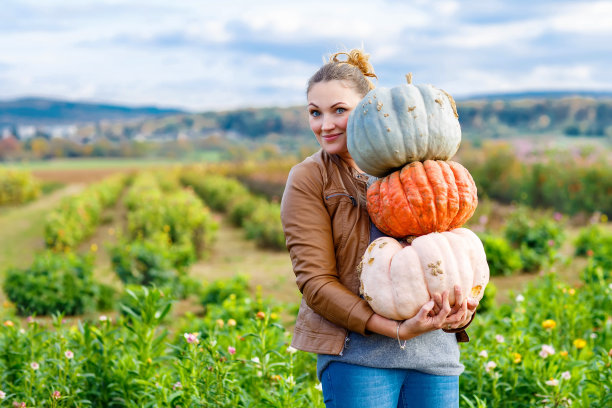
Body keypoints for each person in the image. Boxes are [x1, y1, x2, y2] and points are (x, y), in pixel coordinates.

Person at [280, 49, 479, 408]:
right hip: (358, 360)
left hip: (435, 356)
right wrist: (397, 330)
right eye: (315, 112)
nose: (325, 125)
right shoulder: (310, 178)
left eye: (340, 110)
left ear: (370, 109)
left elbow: (454, 257)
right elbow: (315, 283)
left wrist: (463, 309)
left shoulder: (422, 167)